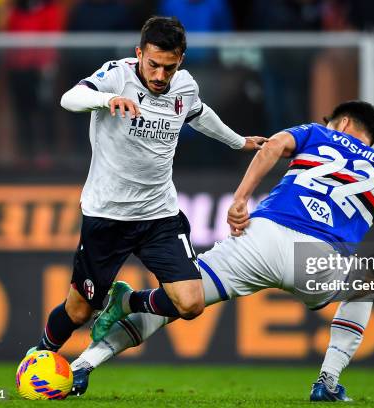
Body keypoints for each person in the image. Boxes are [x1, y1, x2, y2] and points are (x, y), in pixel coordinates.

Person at [71, 101, 374, 401]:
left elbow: (274, 148)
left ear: (340, 123)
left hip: (259, 238)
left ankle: (83, 364)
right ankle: (327, 382)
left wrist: (242, 197)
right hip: (318, 261)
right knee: (366, 284)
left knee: (181, 301)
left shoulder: (314, 133)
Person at [27, 16, 266, 356]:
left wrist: (238, 142)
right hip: (107, 215)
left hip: (159, 215)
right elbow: (70, 98)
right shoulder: (116, 75)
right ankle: (39, 355)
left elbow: (199, 114)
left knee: (190, 303)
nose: (159, 75)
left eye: (168, 68)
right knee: (79, 311)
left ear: (179, 60)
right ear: (139, 53)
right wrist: (105, 100)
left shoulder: (184, 86)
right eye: (153, 64)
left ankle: (124, 302)